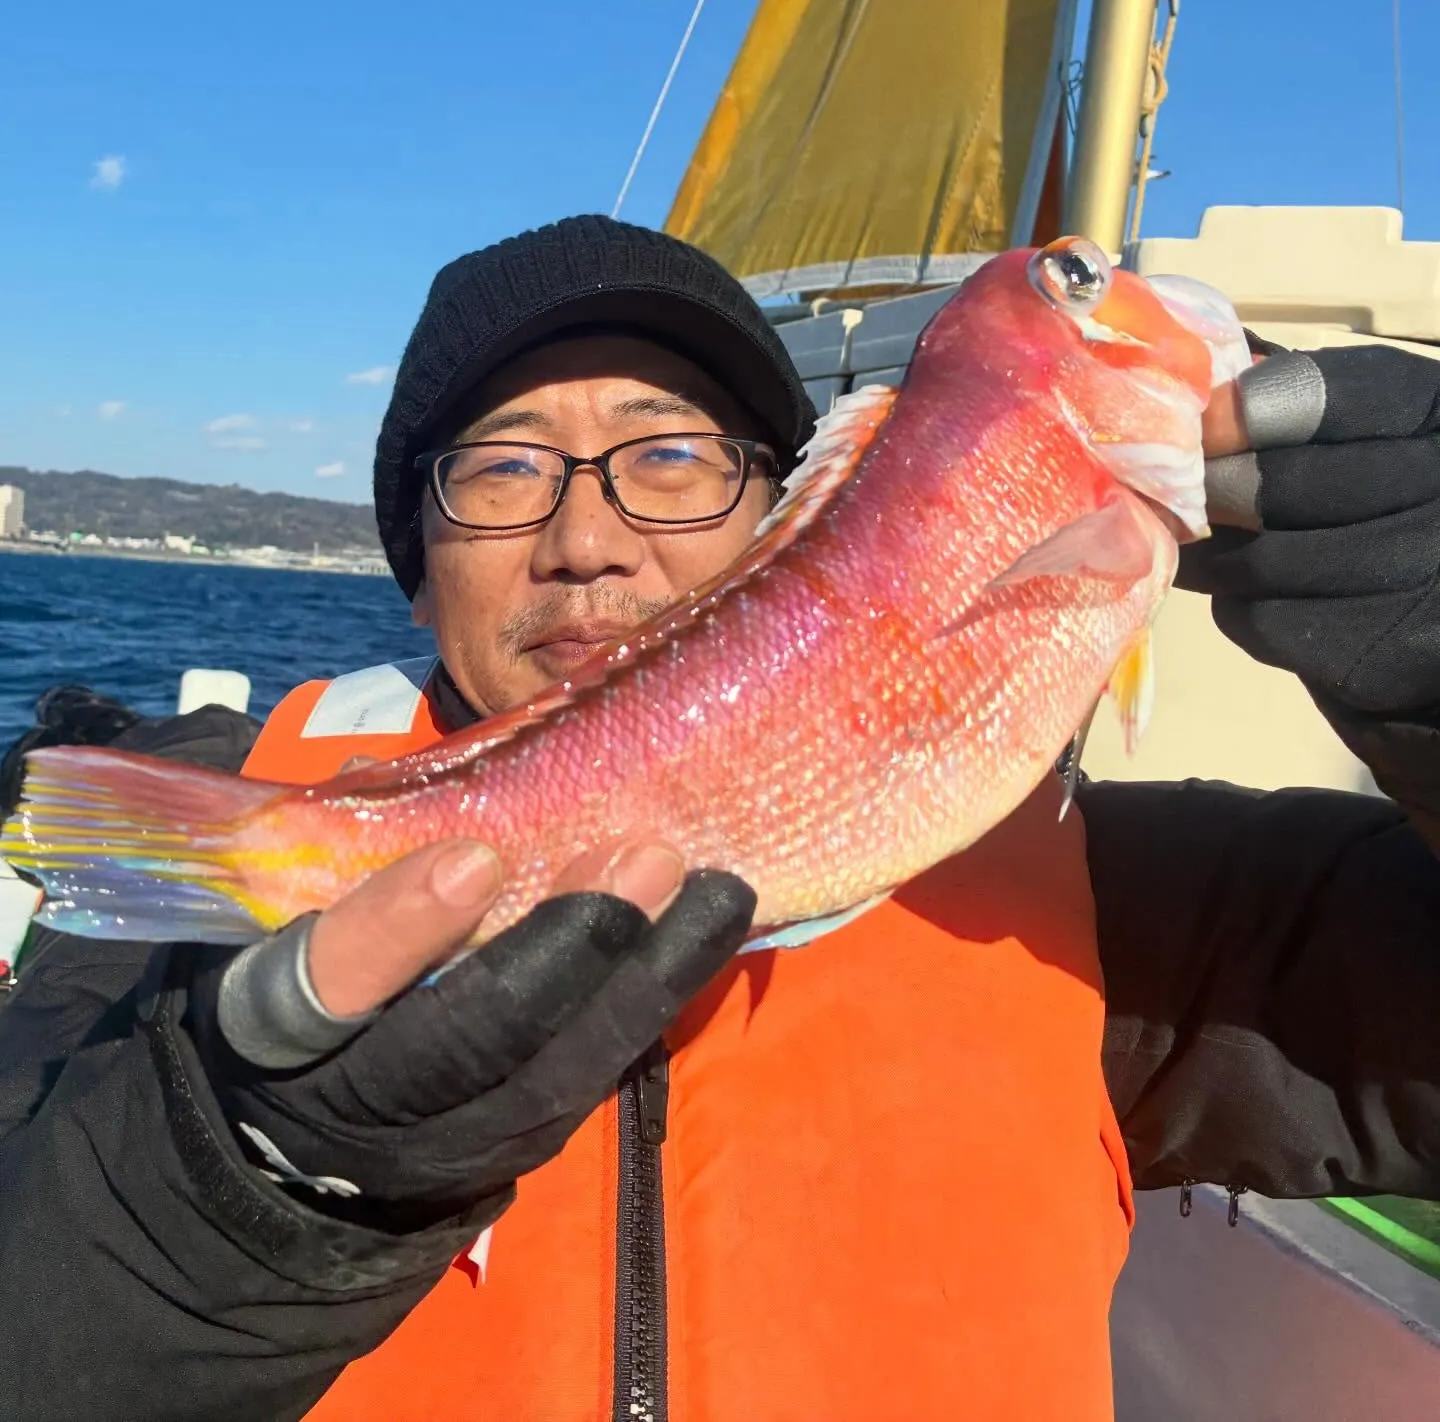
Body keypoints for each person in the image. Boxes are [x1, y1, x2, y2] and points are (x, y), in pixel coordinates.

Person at [3, 212, 1440, 1422]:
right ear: (414, 557)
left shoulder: (1102, 909)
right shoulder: (226, 845)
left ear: (792, 505)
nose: (586, 538)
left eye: (671, 457)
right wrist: (244, 1174)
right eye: (502, 468)